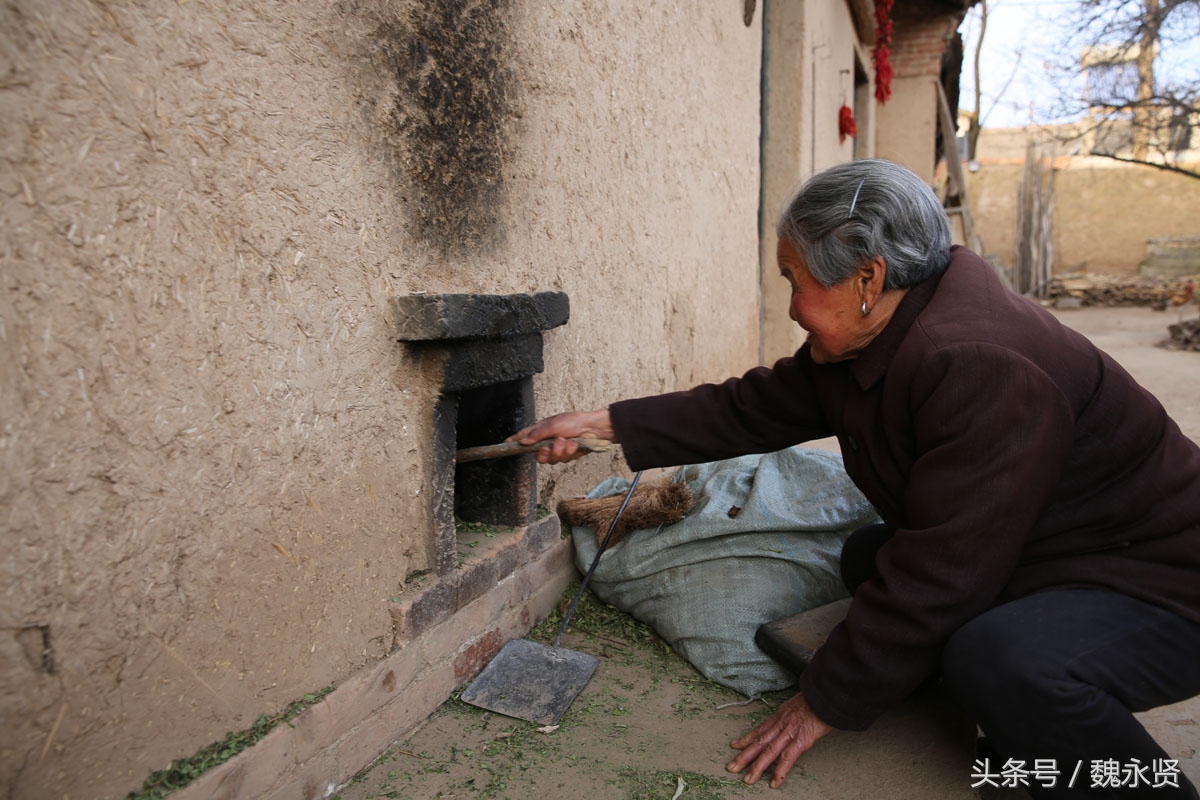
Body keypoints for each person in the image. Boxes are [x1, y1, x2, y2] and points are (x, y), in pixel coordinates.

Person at [509, 159, 1200, 798]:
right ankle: (963, 688)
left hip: (1163, 585)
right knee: (870, 556)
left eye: (796, 282)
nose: (790, 306)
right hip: (1055, 551)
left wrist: (824, 701)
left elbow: (945, 566)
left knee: (1001, 660)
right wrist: (608, 423)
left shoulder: (982, 365)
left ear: (868, 279)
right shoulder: (887, 326)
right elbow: (753, 407)